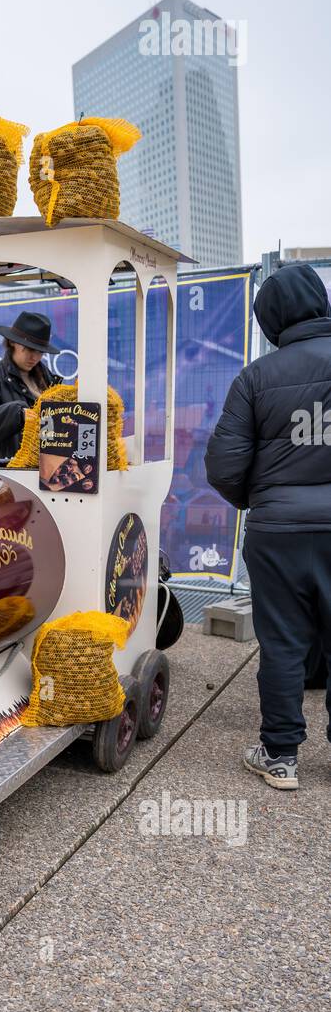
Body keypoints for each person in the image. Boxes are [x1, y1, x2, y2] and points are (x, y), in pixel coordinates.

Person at [205, 263, 331, 790]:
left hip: (278, 532)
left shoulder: (256, 377)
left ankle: (280, 756)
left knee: (281, 642)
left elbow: (223, 466)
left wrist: (263, 501)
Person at [0, 311, 62, 459]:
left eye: (40, 352)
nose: (35, 357)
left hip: (45, 469)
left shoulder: (49, 380)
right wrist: (18, 414)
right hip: (8, 472)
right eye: (29, 349)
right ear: (12, 342)